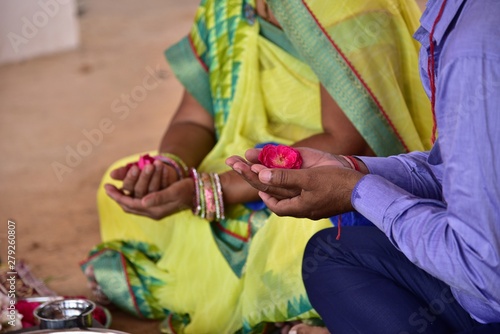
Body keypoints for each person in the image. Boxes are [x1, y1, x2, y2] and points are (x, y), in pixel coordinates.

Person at [81, 0, 432, 333]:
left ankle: (286, 304)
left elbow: (343, 142)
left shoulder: (344, 6)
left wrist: (212, 191)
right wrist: (169, 167)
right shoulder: (228, 7)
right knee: (117, 184)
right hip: (237, 165)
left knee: (301, 234)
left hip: (314, 174)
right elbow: (194, 119)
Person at [226, 0, 500, 332]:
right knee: (329, 254)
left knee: (317, 255)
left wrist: (356, 191)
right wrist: (351, 168)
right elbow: (457, 172)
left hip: (489, 292)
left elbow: (485, 271)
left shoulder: (472, 54)